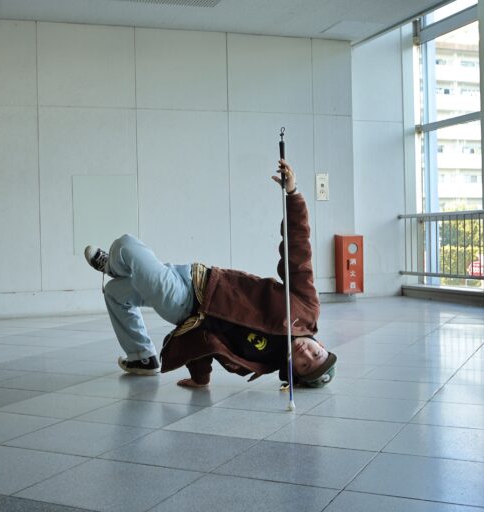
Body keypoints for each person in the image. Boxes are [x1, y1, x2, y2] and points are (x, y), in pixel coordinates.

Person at [84, 159, 337, 389]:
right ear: (321, 345)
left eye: (305, 365)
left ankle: (111, 267)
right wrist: (293, 195)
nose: (306, 354)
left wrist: (200, 377)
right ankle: (142, 357)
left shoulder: (261, 361)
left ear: (293, 372)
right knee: (115, 294)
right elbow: (298, 253)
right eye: (316, 354)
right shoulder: (306, 309)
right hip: (195, 275)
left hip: (184, 303)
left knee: (127, 246)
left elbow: (209, 342)